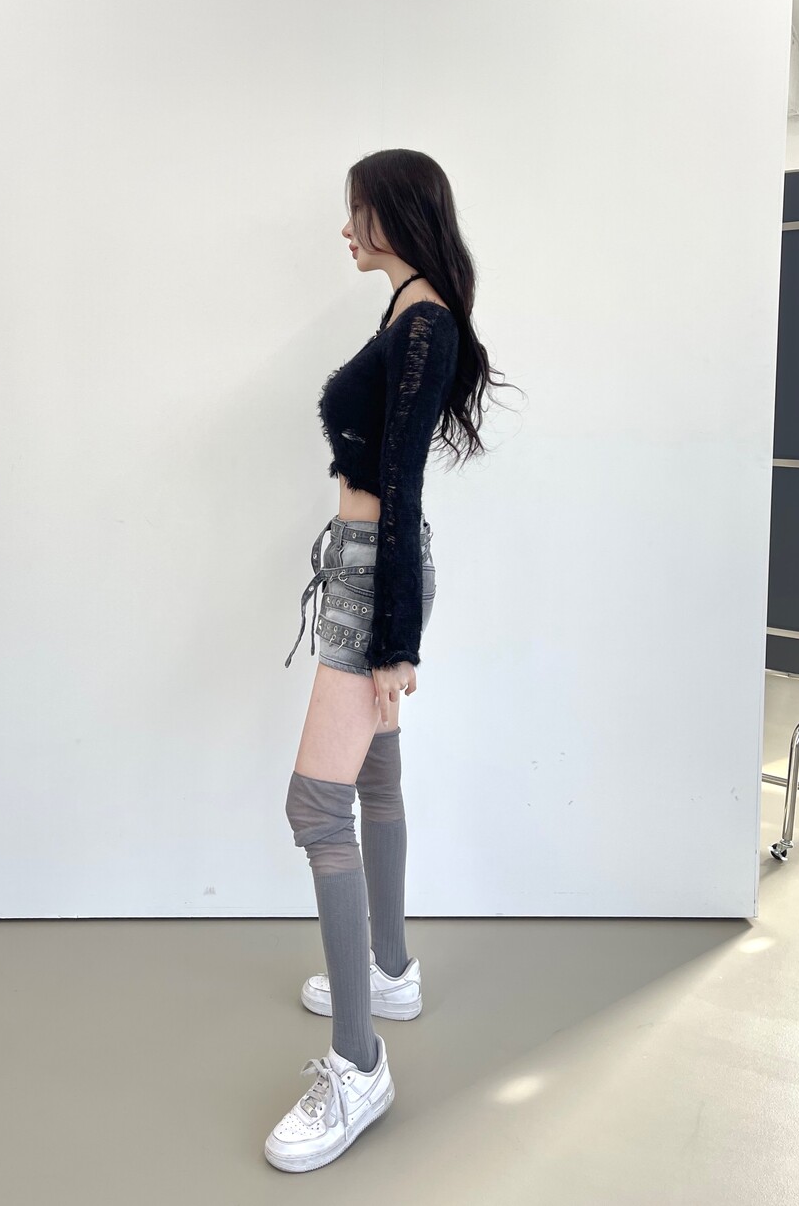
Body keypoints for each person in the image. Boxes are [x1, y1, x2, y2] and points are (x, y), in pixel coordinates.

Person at [265, 149, 521, 1173]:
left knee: (314, 806)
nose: (345, 230)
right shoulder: (406, 312)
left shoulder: (424, 325)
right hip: (365, 563)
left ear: (398, 216)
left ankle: (358, 1062)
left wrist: (393, 642)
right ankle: (389, 969)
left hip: (375, 576)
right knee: (372, 778)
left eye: (357, 213)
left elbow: (404, 485)